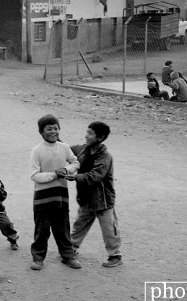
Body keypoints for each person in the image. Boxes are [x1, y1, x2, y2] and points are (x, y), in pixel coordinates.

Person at [29, 114, 81, 270]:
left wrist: (66, 169)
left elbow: (75, 162)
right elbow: (34, 175)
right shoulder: (37, 151)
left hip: (60, 196)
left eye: (56, 128)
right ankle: (38, 258)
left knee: (62, 228)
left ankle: (68, 256)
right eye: (49, 129)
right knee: (42, 230)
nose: (53, 132)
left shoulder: (64, 148)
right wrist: (53, 175)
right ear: (41, 132)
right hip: (42, 198)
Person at [69, 121, 122, 268]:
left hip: (102, 200)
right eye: (87, 132)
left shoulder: (105, 156)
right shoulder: (83, 149)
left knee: (109, 228)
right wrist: (55, 142)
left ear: (100, 137)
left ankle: (115, 255)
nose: (86, 136)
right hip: (86, 198)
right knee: (80, 224)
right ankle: (71, 249)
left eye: (90, 133)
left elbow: (95, 175)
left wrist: (76, 177)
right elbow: (67, 150)